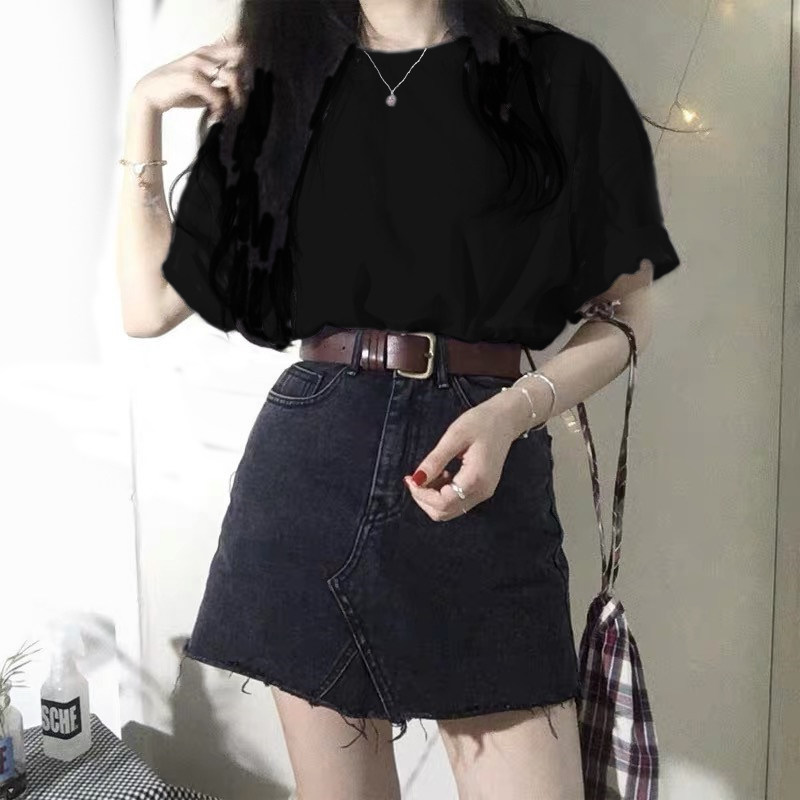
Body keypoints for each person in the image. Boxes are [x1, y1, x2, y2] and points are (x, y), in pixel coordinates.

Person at [116, 1, 681, 798]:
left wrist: (513, 410)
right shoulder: (285, 76)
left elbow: (627, 310)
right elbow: (147, 306)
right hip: (309, 478)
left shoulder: (555, 77)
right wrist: (142, 113)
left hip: (482, 475)